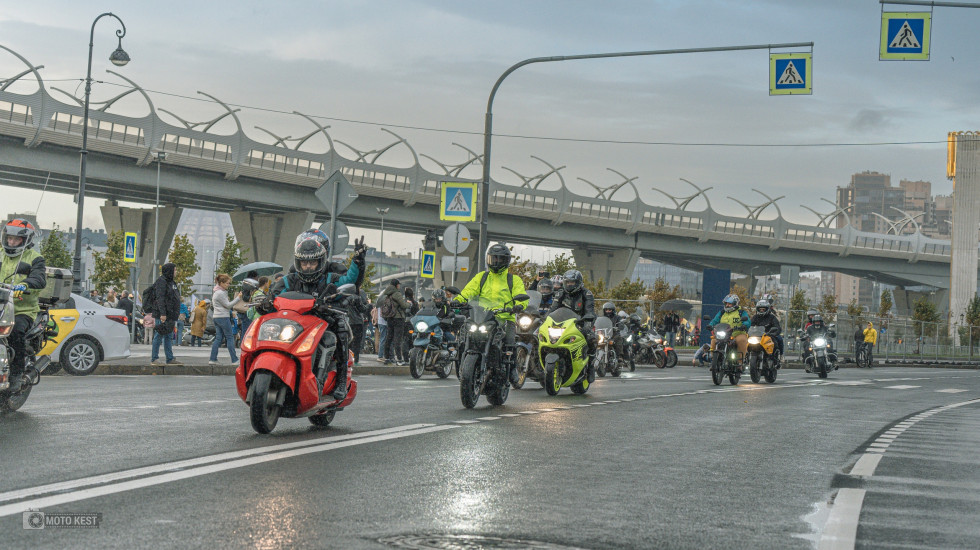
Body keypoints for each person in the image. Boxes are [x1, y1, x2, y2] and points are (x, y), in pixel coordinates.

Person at [259, 235, 365, 399]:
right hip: (295, 322)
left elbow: (349, 280)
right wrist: (265, 302)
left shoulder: (331, 278)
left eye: (312, 262)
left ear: (320, 262)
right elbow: (273, 294)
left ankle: (341, 380)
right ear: (298, 262)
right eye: (304, 262)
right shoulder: (289, 279)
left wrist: (357, 261)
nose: (308, 266)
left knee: (338, 332)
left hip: (324, 319)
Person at [453, 243, 528, 384]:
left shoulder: (513, 280)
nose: (496, 262)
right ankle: (459, 359)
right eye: (493, 259)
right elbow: (469, 291)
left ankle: (512, 367)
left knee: (509, 341)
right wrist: (458, 299)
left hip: (504, 317)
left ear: (506, 261)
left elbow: (520, 294)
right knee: (464, 333)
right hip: (481, 316)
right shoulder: (482, 277)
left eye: (499, 259)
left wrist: (519, 305)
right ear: (488, 259)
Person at [0, 218, 46, 393]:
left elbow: (39, 278)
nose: (11, 242)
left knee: (16, 331)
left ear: (25, 240)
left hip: (22, 309)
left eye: (16, 239)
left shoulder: (35, 258)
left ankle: (17, 374)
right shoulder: (0, 254)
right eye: (9, 238)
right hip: (1, 306)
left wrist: (25, 284)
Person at [548, 269, 597, 367]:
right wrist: (545, 319)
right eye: (567, 282)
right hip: (563, 324)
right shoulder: (560, 294)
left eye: (572, 282)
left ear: (578, 282)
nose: (570, 284)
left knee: (592, 339)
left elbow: (589, 310)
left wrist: (587, 321)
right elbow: (552, 310)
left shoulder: (586, 294)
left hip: (581, 323)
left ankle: (590, 364)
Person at [150, 263, 183, 366]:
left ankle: (170, 358)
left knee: (168, 336)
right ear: (169, 271)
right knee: (159, 335)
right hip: (163, 314)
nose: (176, 272)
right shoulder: (161, 282)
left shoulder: (171, 282)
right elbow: (160, 298)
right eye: (175, 270)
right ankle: (154, 358)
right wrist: (163, 313)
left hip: (171, 314)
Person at [210, 273, 242, 366]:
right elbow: (228, 305)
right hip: (223, 317)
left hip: (216, 317)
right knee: (230, 337)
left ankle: (213, 358)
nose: (228, 285)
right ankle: (234, 359)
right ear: (221, 283)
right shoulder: (220, 293)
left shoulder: (216, 292)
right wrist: (238, 298)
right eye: (227, 283)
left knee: (218, 338)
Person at [708, 293, 750, 363]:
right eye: (726, 303)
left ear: (735, 304)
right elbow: (715, 320)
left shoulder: (741, 312)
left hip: (737, 333)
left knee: (741, 340)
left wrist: (744, 325)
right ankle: (713, 360)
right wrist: (710, 325)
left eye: (729, 304)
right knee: (714, 340)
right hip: (724, 334)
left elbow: (747, 321)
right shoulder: (722, 313)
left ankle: (740, 362)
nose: (727, 305)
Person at [379, 279, 411, 366]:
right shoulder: (397, 293)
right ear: (396, 285)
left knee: (388, 338)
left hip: (389, 318)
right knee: (398, 339)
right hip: (398, 318)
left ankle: (387, 358)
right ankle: (399, 360)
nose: (399, 286)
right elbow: (404, 305)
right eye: (399, 285)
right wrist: (409, 304)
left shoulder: (386, 294)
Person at [750, 299, 782, 363]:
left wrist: (774, 332)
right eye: (760, 309)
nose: (761, 310)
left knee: (777, 341)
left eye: (763, 309)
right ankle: (746, 358)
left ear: (767, 309)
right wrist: (747, 330)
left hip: (769, 335)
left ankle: (776, 358)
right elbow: (750, 325)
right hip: (758, 336)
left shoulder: (772, 317)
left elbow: (777, 327)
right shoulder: (755, 317)